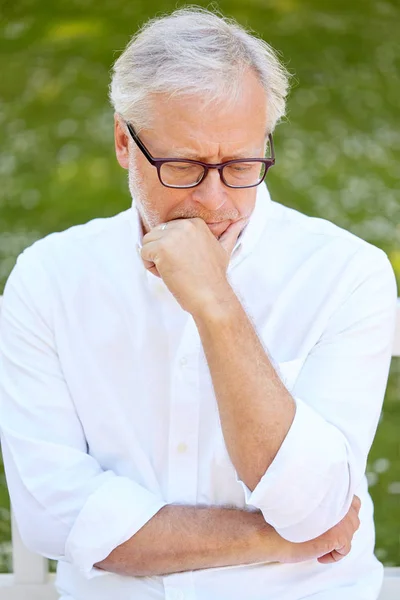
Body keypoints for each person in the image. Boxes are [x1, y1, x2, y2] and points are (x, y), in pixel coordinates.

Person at [0, 7, 397, 600]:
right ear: (122, 143)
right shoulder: (49, 280)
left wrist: (218, 308)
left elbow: (313, 507)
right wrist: (280, 540)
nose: (215, 202)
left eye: (240, 166)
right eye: (183, 167)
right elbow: (54, 519)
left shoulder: (346, 273)